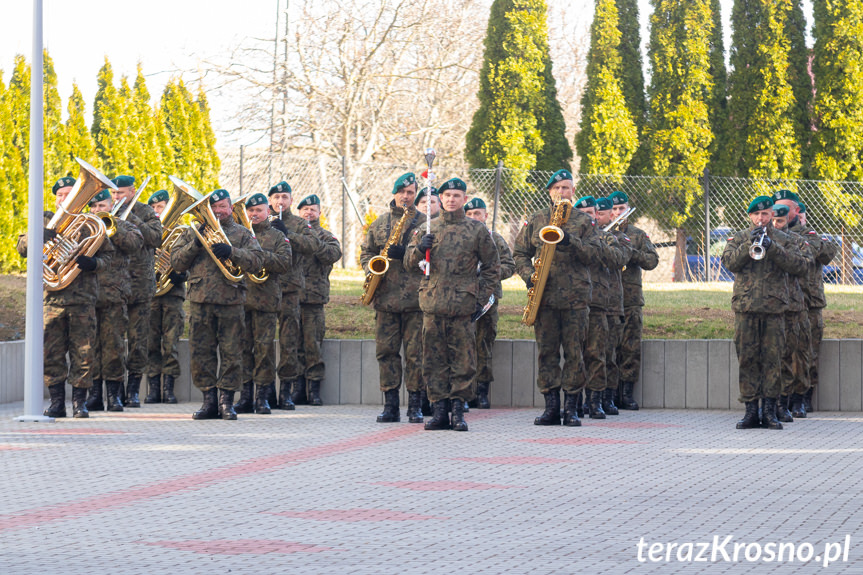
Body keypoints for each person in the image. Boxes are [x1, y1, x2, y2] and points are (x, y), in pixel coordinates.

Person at [405, 177, 499, 431]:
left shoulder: (476, 230)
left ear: (464, 200)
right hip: (433, 304)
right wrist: (418, 250)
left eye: (456, 196)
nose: (451, 199)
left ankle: (458, 411)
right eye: (446, 195)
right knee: (433, 360)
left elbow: (492, 266)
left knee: (463, 360)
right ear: (441, 198)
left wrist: (480, 298)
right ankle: (438, 411)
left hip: (462, 305)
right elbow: (409, 263)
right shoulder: (428, 228)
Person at [16, 176, 115, 418]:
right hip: (52, 298)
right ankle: (57, 402)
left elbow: (110, 259)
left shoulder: (90, 222)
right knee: (51, 352)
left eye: (69, 194)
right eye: (60, 195)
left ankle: (79, 402)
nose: (64, 199)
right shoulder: (44, 219)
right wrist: (38, 235)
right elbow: (21, 248)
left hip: (82, 298)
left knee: (83, 351)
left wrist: (94, 263)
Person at [513, 170, 600, 427]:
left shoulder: (584, 221)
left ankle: (571, 408)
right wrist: (529, 276)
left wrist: (571, 241)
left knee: (575, 352)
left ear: (574, 191)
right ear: (549, 191)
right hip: (545, 297)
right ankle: (551, 407)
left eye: (567, 188)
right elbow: (519, 252)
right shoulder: (537, 218)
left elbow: (596, 254)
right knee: (547, 353)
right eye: (557, 188)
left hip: (575, 298)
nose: (562, 192)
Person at [170, 188, 264, 420]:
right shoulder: (194, 232)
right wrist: (196, 243)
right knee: (201, 353)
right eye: (213, 207)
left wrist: (232, 252)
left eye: (222, 206)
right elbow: (176, 262)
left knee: (232, 353)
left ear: (230, 208)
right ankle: (209, 401)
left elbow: (258, 261)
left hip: (231, 300)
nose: (217, 211)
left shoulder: (242, 233)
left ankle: (226, 401)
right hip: (200, 301)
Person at [720, 195, 808, 430]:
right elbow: (729, 262)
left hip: (775, 308)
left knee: (773, 360)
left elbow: (800, 266)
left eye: (765, 214)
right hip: (746, 308)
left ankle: (770, 411)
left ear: (772, 215)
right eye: (757, 215)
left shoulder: (784, 239)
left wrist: (774, 248)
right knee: (747, 359)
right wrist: (746, 245)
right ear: (750, 216)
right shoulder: (738, 238)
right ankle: (750, 411)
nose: (761, 218)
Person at [362, 173, 426, 423]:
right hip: (386, 299)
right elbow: (366, 252)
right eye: (402, 192)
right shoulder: (379, 224)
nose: (406, 196)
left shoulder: (426, 223)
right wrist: (371, 267)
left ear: (416, 194)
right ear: (394, 193)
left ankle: (415, 405)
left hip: (416, 301)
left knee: (416, 354)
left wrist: (413, 253)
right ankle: (390, 404)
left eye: (410, 192)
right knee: (386, 352)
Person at [778, 192, 837, 413]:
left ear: (796, 211)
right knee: (782, 352)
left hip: (808, 301)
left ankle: (802, 398)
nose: (780, 213)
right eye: (777, 208)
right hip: (780, 301)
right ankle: (782, 399)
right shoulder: (770, 233)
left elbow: (825, 252)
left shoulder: (809, 234)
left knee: (807, 353)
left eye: (785, 209)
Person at [234, 192, 292, 415]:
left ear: (268, 211)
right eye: (251, 210)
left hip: (266, 300)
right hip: (241, 298)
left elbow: (285, 262)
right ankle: (245, 396)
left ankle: (262, 397)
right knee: (242, 350)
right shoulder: (240, 234)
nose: (254, 214)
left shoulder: (277, 236)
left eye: (258, 210)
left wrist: (258, 255)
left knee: (264, 349)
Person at [268, 181, 325, 408]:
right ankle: (265, 391)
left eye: (285, 197)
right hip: (262, 291)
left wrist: (288, 233)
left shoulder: (300, 224)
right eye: (276, 197)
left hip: (290, 290)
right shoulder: (259, 220)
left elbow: (313, 245)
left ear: (291, 200)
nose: (280, 201)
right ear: (270, 200)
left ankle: (286, 391)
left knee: (289, 342)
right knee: (261, 343)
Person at [86, 189, 144, 412]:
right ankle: (94, 395)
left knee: (114, 347)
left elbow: (134, 244)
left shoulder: (124, 224)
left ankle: (114, 395)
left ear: (111, 205)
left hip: (114, 295)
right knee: (91, 349)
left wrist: (111, 227)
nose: (97, 210)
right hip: (89, 295)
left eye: (102, 206)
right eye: (94, 206)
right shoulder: (84, 226)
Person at [111, 175, 163, 407]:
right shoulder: (105, 212)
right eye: (114, 193)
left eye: (121, 193)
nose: (116, 197)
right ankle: (115, 391)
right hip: (114, 286)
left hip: (140, 286)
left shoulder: (145, 212)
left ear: (132, 192)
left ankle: (133, 390)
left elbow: (155, 238)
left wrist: (129, 216)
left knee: (138, 341)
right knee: (113, 341)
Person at [464, 197, 516, 409]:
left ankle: (482, 391)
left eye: (478, 214)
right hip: (463, 297)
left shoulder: (495, 239)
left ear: (486, 215)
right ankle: (465, 392)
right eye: (470, 214)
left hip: (488, 298)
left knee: (484, 343)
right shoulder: (460, 237)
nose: (474, 217)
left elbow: (509, 265)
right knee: (464, 344)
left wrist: (490, 274)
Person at [608, 191, 658, 410]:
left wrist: (633, 253)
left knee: (630, 346)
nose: (619, 213)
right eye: (615, 209)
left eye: (622, 208)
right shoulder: (602, 233)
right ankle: (608, 394)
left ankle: (626, 393)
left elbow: (652, 260)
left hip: (631, 298)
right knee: (608, 346)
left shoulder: (638, 235)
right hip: (607, 299)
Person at [295, 194, 342, 406]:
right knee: (293, 346)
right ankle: (296, 389)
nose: (309, 212)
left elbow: (333, 254)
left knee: (313, 345)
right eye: (305, 209)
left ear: (319, 212)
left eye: (313, 209)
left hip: (314, 298)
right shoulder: (291, 233)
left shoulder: (326, 236)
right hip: (292, 298)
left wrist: (311, 240)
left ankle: (314, 389)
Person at [771, 202, 814, 421]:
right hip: (770, 305)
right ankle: (775, 403)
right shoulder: (759, 238)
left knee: (797, 354)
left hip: (795, 304)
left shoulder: (797, 241)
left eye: (780, 220)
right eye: (773, 220)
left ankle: (795, 399)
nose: (776, 224)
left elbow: (803, 266)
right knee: (774, 356)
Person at [145, 188, 186, 404]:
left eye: (161, 207)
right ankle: (153, 388)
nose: (157, 211)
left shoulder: (181, 232)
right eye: (153, 207)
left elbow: (187, 259)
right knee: (151, 342)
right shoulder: (147, 232)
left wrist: (181, 273)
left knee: (171, 343)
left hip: (173, 294)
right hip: (151, 295)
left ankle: (169, 389)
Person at [594, 197, 632, 416]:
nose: (598, 217)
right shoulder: (585, 235)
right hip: (589, 302)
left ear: (611, 215)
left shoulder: (621, 238)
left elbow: (619, 259)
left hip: (611, 303)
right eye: (595, 214)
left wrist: (600, 241)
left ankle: (607, 398)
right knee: (589, 354)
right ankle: (589, 398)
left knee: (608, 355)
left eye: (602, 214)